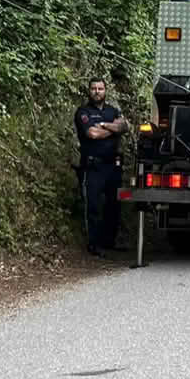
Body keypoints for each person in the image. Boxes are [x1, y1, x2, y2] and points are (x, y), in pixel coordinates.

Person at [75, 78, 129, 256]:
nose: (97, 91)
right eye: (94, 88)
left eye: (100, 88)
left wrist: (105, 125)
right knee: (94, 207)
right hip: (93, 166)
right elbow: (92, 134)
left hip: (113, 166)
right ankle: (94, 245)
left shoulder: (112, 110)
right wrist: (113, 130)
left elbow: (124, 125)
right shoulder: (83, 112)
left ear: (105, 90)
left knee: (114, 206)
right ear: (89, 91)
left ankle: (109, 242)